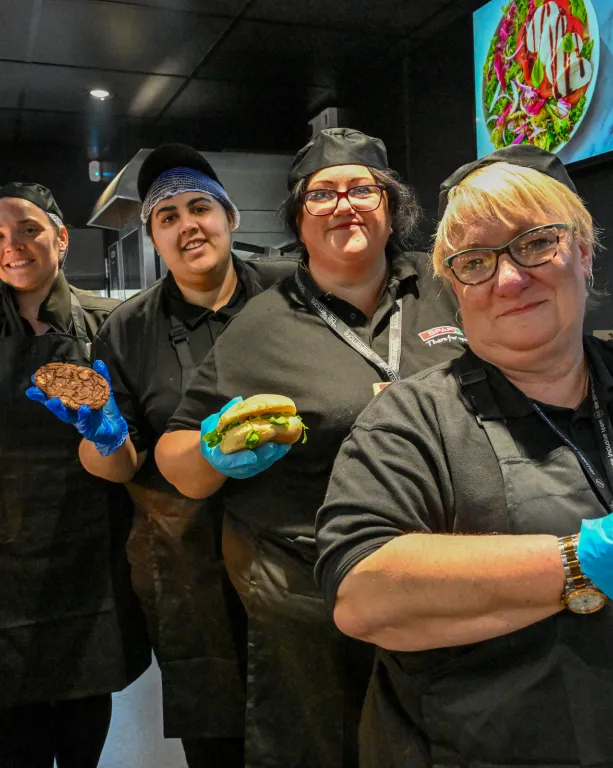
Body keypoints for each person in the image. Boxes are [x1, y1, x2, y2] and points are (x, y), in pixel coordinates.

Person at [155, 128, 467, 768]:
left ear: (393, 206)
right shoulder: (263, 321)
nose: (343, 205)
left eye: (362, 189)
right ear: (298, 218)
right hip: (310, 596)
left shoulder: (451, 289)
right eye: (322, 194)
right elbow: (175, 450)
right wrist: (214, 454)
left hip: (448, 571)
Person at [315, 145, 613, 768]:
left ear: (584, 252)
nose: (508, 279)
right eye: (476, 261)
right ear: (455, 289)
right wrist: (576, 565)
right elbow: (364, 594)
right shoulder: (412, 418)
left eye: (534, 243)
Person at [67, 143, 296, 768]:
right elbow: (115, 467)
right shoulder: (128, 329)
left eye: (200, 207)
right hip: (191, 564)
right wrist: (103, 437)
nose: (186, 224)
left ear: (230, 218)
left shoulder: (293, 296)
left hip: (298, 548)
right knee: (219, 740)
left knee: (315, 722)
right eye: (166, 217)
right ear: (154, 240)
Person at [0, 181, 150, 768]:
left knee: (84, 733)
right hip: (5, 572)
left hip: (90, 567)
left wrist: (112, 438)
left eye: (29, 229)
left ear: (61, 238)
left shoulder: (113, 325)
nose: (13, 245)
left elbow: (137, 453)